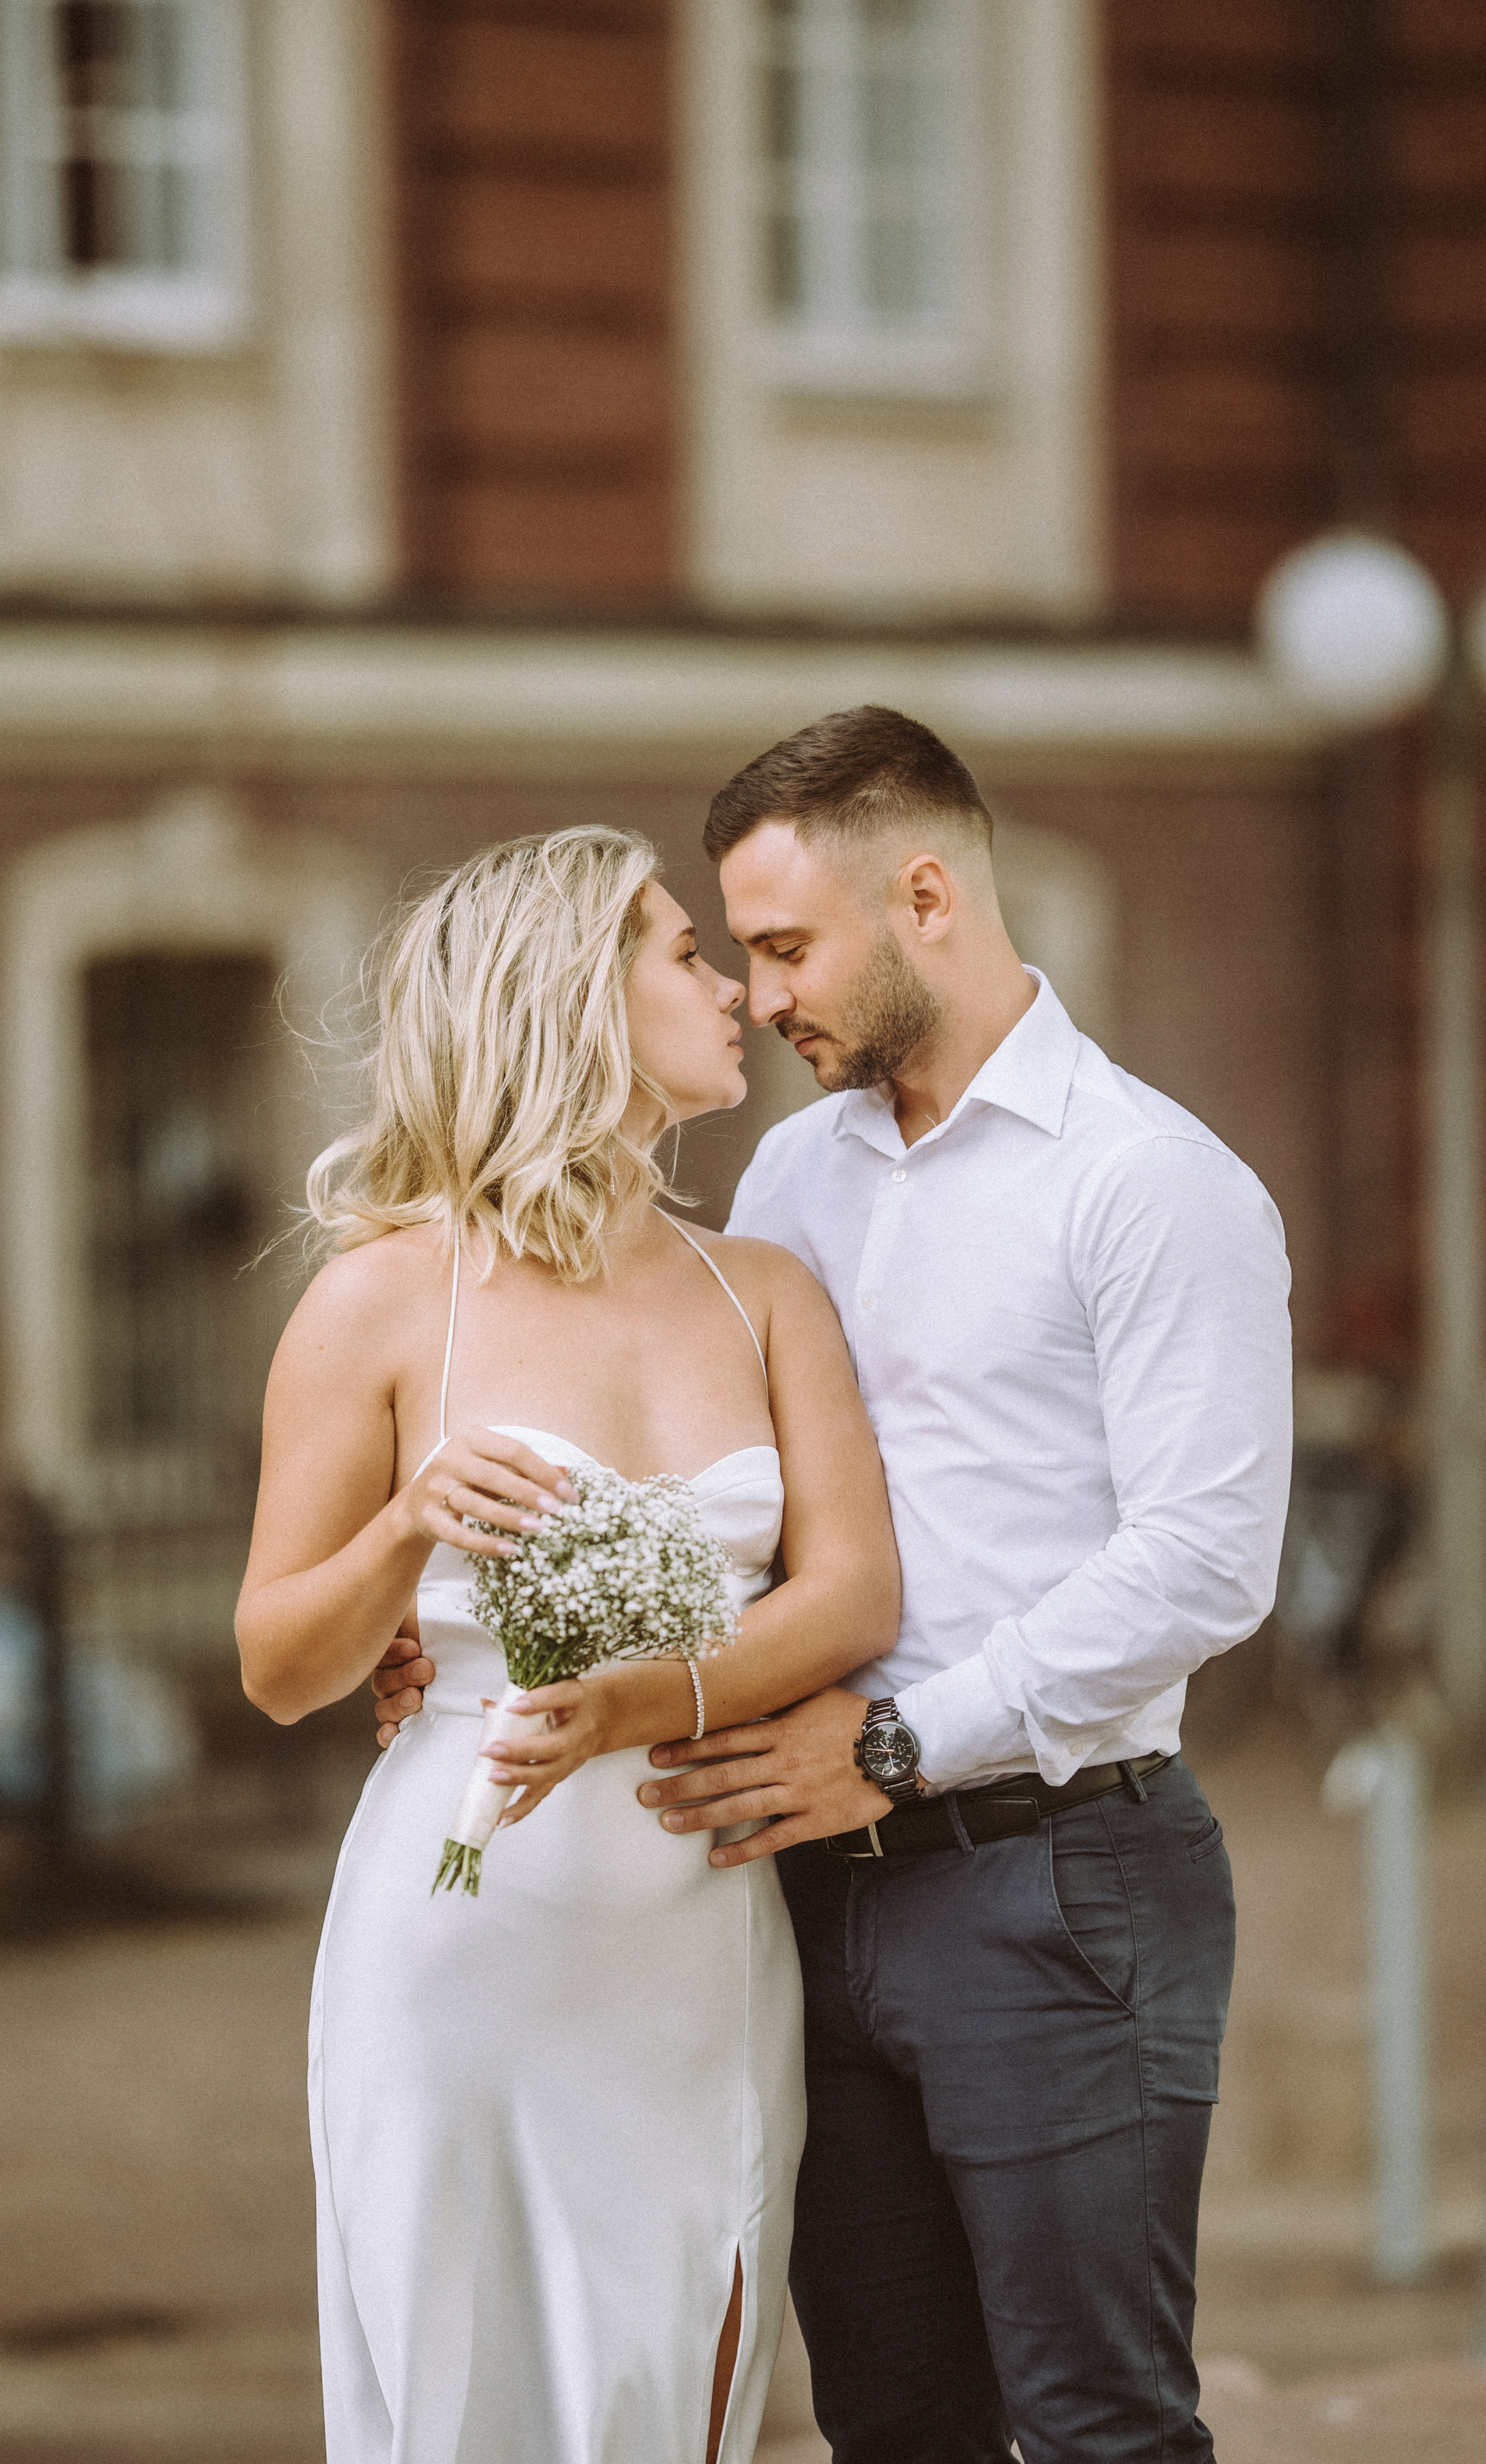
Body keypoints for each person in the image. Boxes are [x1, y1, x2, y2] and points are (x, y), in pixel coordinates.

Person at [371, 708, 1294, 2463]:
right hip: (795, 1896)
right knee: (891, 2421)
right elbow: (732, 1501)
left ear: (925, 897)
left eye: (787, 945)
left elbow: (1202, 1561)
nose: (758, 989)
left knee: (1095, 2420)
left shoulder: (1150, 1183)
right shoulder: (795, 1172)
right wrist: (460, 1635)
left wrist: (893, 1745)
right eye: (735, 947)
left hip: (1053, 1877)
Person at [236, 825, 900, 2464]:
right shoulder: (384, 1300)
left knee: (683, 2377)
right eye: (681, 952)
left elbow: (850, 1598)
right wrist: (406, 1530)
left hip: (697, 1926)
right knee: (463, 2394)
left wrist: (640, 1703)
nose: (731, 989)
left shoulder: (764, 1293)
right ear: (570, 1000)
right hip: (462, 1936)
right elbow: (278, 1666)